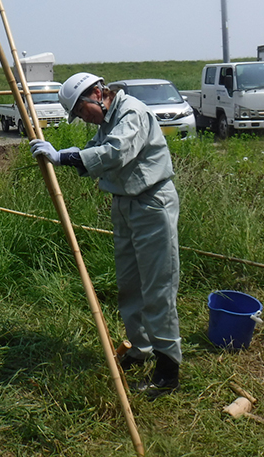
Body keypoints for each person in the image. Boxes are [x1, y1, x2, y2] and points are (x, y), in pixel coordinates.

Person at [30, 72, 182, 400]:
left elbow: (114, 152)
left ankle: (168, 369)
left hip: (152, 203)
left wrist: (63, 157)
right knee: (130, 282)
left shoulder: (132, 113)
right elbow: (94, 148)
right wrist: (60, 154)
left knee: (158, 286)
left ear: (98, 93)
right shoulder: (106, 122)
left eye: (83, 111)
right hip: (125, 205)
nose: (84, 118)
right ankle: (139, 347)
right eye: (79, 115)